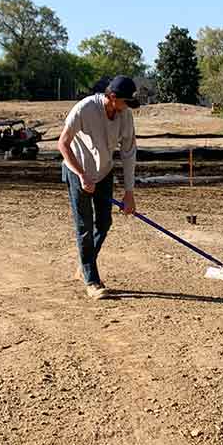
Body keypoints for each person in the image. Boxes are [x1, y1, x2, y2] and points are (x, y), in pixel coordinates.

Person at [58, 75, 140, 300]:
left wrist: (129, 192)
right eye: (125, 102)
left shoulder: (125, 115)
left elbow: (128, 153)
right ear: (112, 97)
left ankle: (85, 264)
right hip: (77, 171)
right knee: (85, 225)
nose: (128, 108)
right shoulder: (85, 108)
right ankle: (92, 281)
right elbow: (63, 143)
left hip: (103, 172)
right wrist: (82, 175)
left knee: (104, 222)